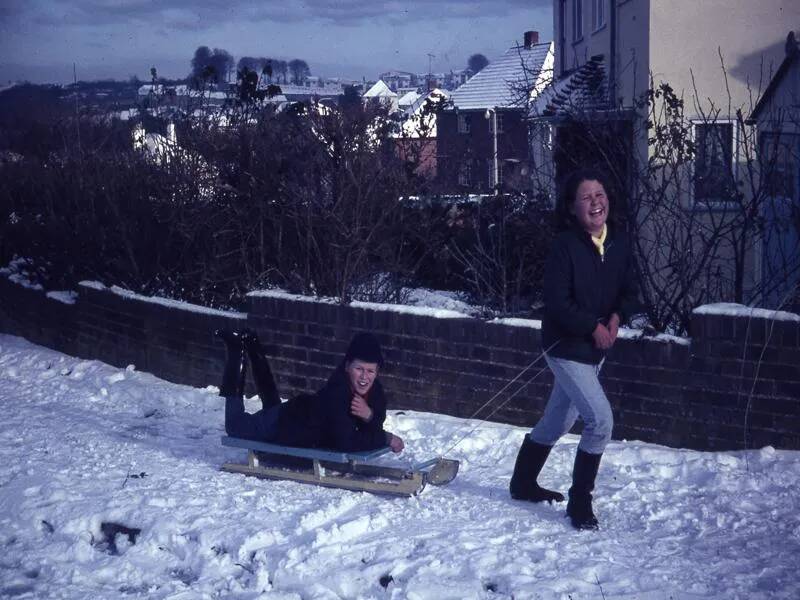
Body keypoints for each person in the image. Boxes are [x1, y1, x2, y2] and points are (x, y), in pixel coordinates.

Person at [509, 168, 640, 530]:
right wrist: (593, 327)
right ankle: (580, 502)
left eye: (600, 194)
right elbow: (557, 302)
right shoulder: (564, 246)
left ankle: (522, 483)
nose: (596, 202)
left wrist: (616, 317)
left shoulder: (619, 242)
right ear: (572, 208)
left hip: (595, 347)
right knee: (600, 421)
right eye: (586, 197)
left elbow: (631, 291)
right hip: (565, 346)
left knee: (559, 421)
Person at [216, 330, 405, 454]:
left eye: (370, 371)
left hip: (300, 416)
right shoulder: (338, 393)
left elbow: (375, 421)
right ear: (347, 366)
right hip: (286, 424)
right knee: (236, 427)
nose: (365, 377)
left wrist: (369, 415)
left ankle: (252, 344)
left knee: (271, 406)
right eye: (359, 369)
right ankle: (235, 351)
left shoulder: (376, 389)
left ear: (377, 371)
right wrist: (386, 438)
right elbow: (346, 443)